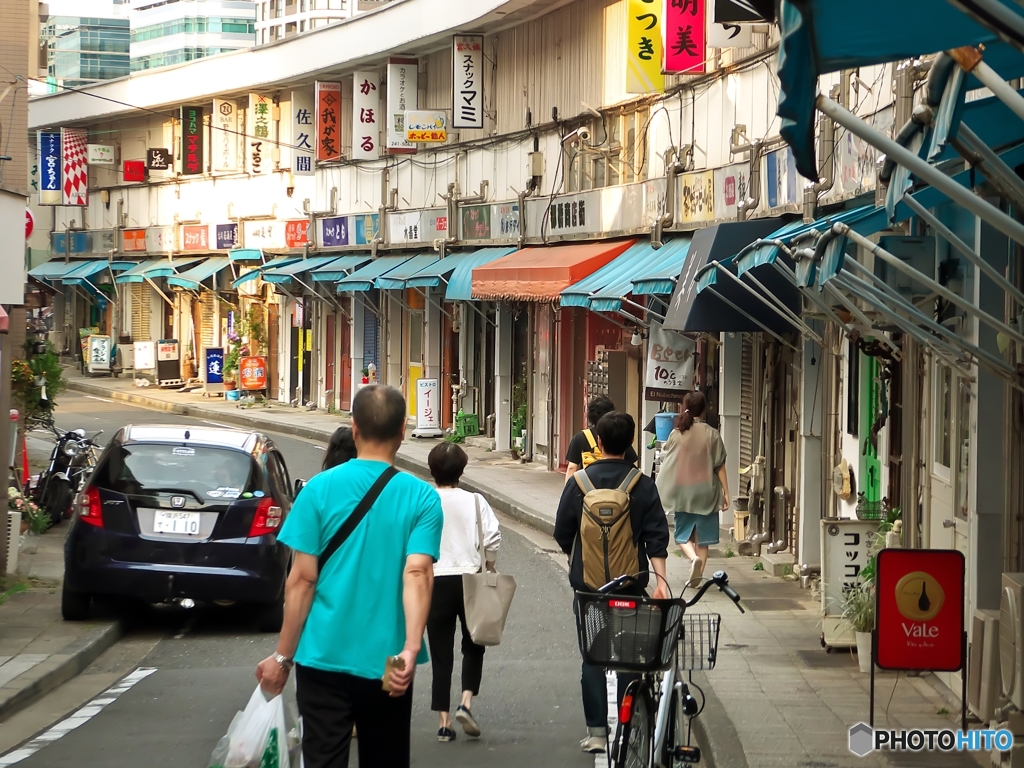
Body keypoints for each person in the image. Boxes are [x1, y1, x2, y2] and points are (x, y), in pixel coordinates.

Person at [255, 385, 443, 768]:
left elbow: (303, 580)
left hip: (322, 656)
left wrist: (282, 657)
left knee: (323, 758)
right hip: (390, 662)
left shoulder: (318, 490)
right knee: (386, 758)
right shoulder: (422, 497)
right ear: (403, 430)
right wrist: (409, 648)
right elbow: (418, 571)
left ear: (353, 428)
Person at [554, 411, 670, 754]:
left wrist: (581, 560)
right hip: (630, 586)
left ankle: (596, 733)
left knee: (593, 656)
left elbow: (562, 533)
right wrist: (661, 581)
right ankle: (628, 725)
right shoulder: (642, 484)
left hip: (589, 589)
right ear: (631, 443)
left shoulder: (579, 484)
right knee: (629, 657)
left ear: (599, 442)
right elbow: (656, 538)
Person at [424, 442, 501, 743]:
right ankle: (466, 703)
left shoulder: (425, 499)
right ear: (462, 469)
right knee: (474, 643)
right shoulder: (475, 501)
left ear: (432, 470)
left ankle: (444, 722)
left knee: (441, 653)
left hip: (435, 579)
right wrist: (490, 565)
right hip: (470, 577)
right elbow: (492, 537)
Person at [656, 390, 730, 589]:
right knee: (703, 540)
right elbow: (720, 465)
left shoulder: (677, 433)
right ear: (704, 409)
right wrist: (726, 493)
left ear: (684, 407)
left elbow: (666, 458)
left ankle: (692, 557)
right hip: (707, 490)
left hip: (683, 491)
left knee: (682, 535)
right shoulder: (713, 434)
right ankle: (697, 577)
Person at [564, 396, 639, 481]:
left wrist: (568, 489)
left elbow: (572, 467)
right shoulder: (618, 434)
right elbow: (630, 463)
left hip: (588, 489)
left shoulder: (580, 437)